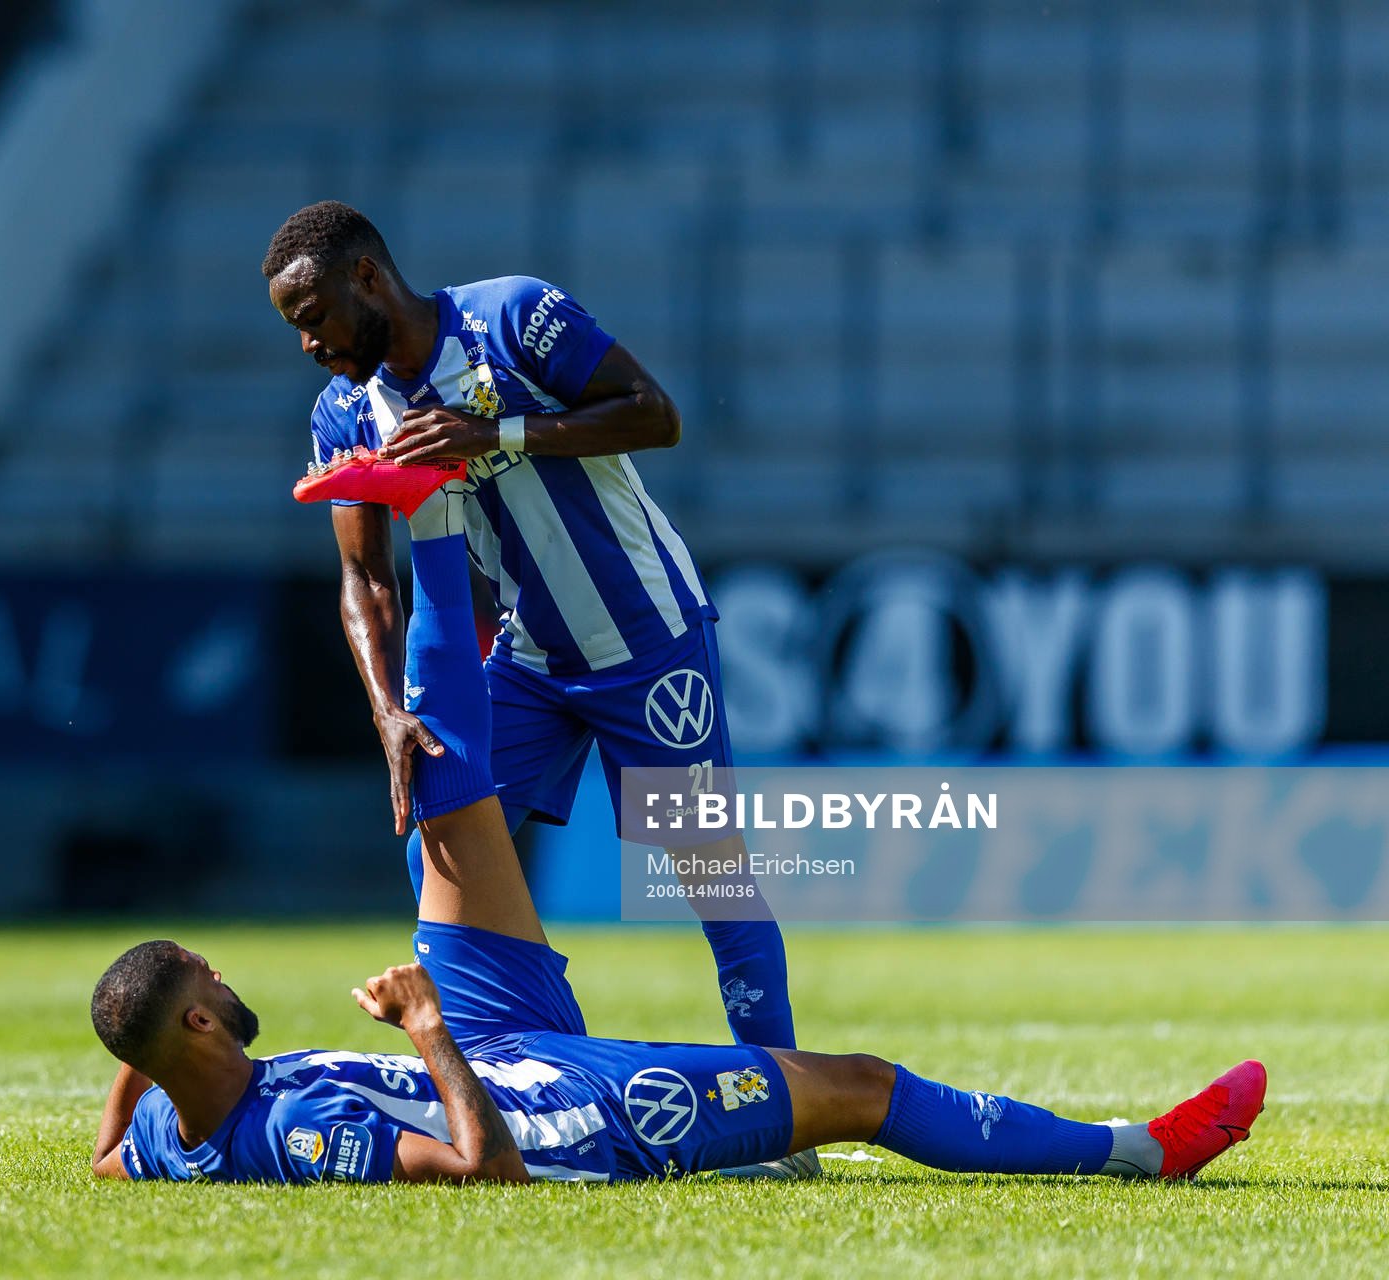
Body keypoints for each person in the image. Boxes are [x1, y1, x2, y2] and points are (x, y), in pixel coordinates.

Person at [88, 477, 1266, 1185]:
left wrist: (138, 1066)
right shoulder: (292, 1128)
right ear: (198, 1019)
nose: (226, 974)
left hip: (492, 1049)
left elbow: (114, 1150)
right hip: (550, 1113)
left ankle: (437, 512)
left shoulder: (158, 1134)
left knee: (445, 800)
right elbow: (483, 1171)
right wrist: (430, 1029)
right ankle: (1142, 1148)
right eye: (206, 978)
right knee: (859, 1083)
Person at [261, 200, 798, 1077]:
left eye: (314, 320)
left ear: (367, 278)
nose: (311, 345)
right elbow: (365, 578)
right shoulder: (345, 414)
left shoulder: (510, 317)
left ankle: (788, 1101)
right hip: (534, 658)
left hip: (647, 637)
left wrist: (497, 433)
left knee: (711, 876)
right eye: (296, 330)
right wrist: (388, 711)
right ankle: (526, 1061)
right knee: (438, 843)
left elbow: (654, 413)